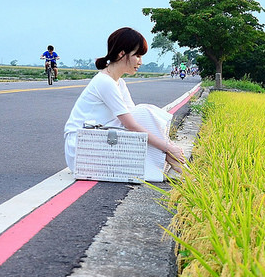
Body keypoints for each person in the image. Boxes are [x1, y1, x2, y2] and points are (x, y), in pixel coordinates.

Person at [63, 27, 186, 180]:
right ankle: (173, 161)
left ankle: (172, 161)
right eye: (138, 56)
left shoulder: (118, 82)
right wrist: (167, 147)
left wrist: (167, 146)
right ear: (122, 54)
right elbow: (131, 125)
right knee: (143, 113)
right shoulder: (105, 82)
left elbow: (135, 118)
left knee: (142, 113)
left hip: (96, 140)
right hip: (81, 147)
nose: (140, 62)